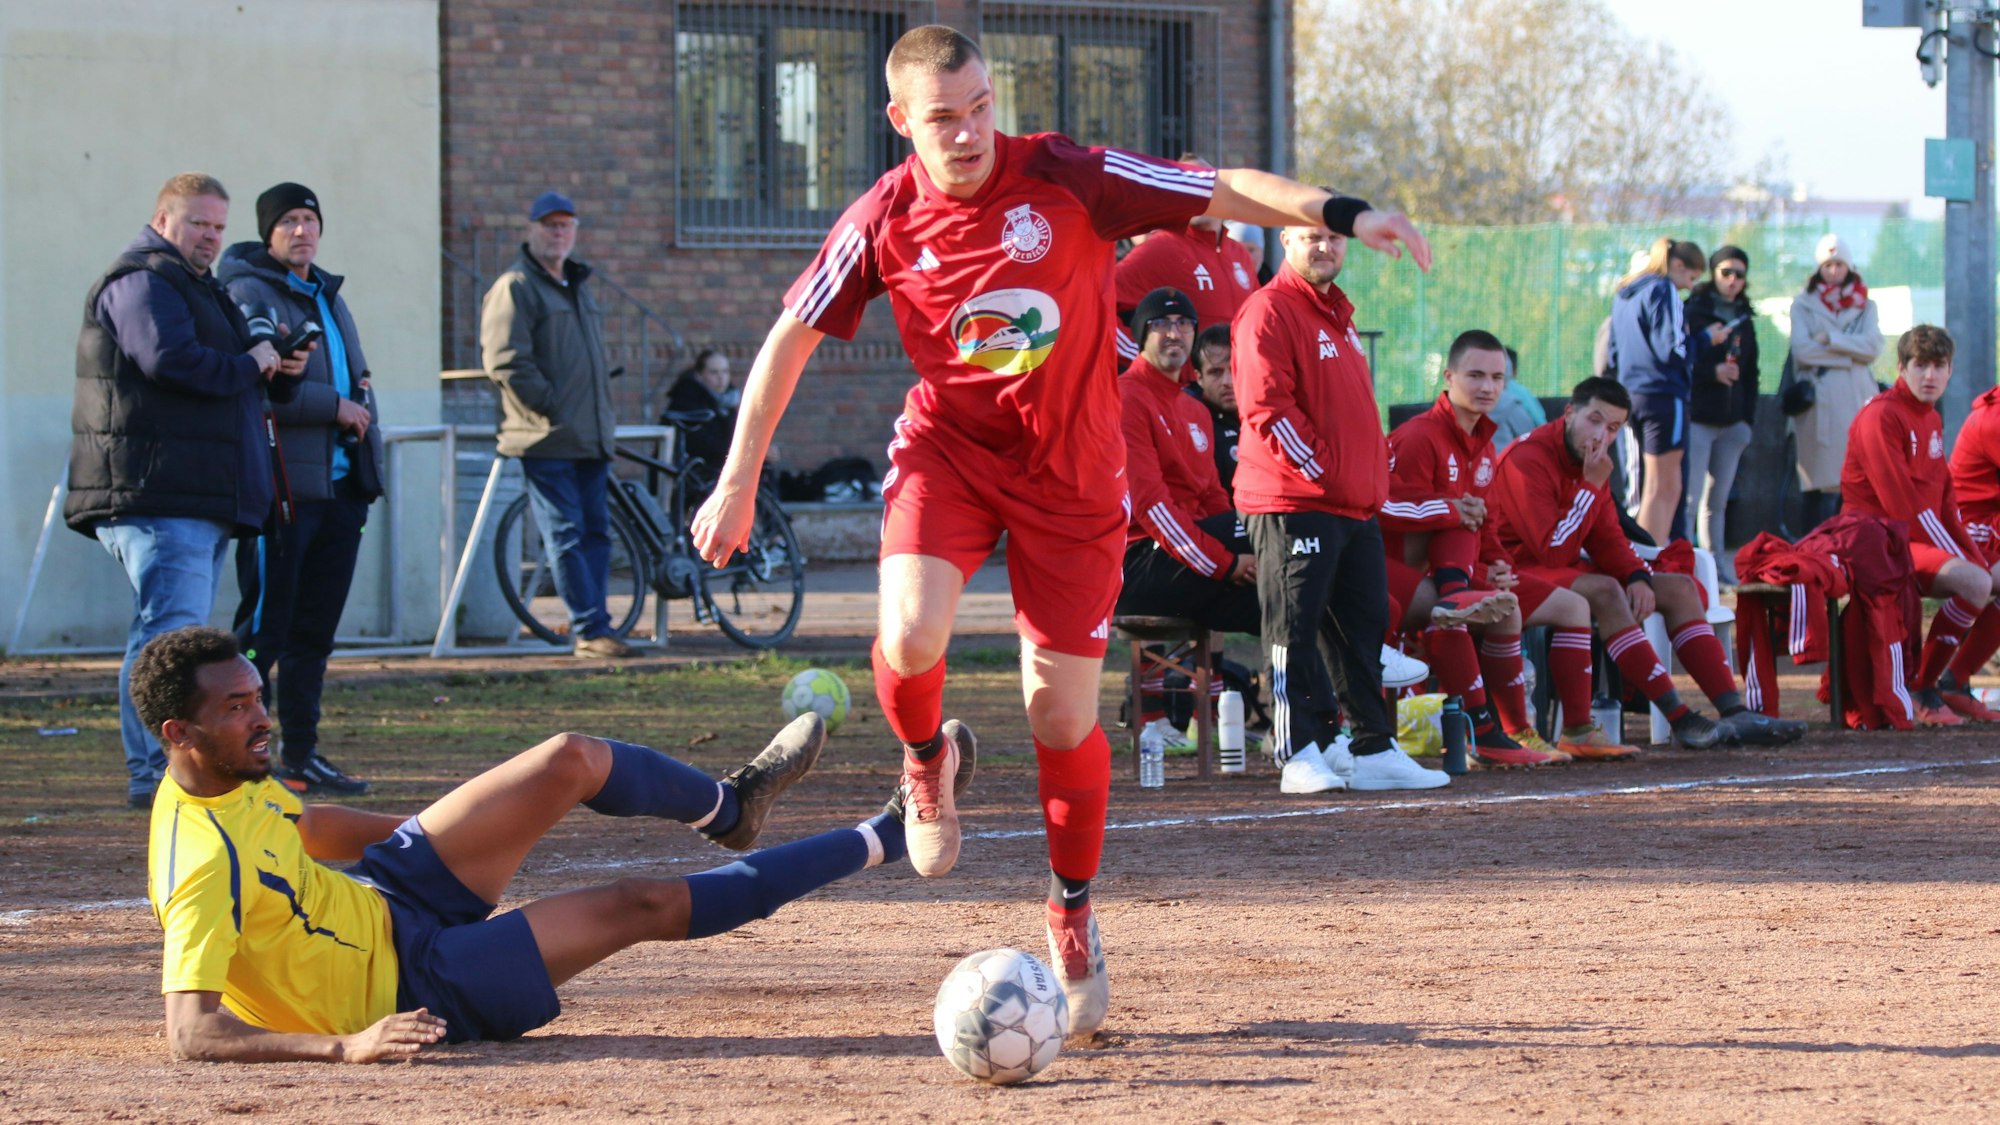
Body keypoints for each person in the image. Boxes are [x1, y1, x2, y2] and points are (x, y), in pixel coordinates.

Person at [690, 24, 1430, 1039]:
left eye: (980, 106)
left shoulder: (1068, 176)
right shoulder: (881, 219)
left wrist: (1343, 210)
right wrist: (737, 481)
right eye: (943, 118)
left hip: (1075, 483)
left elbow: (1220, 188)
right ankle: (924, 762)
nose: (968, 132)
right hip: (950, 456)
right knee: (908, 635)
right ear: (900, 121)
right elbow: (789, 337)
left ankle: (1071, 910)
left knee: (1056, 716)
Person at [137, 624, 953, 1060]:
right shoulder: (197, 865)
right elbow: (191, 1031)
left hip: (394, 894)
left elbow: (310, 827)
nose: (261, 717)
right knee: (640, 902)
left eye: (257, 695)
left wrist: (449, 832)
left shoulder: (240, 774)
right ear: (179, 732)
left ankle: (729, 805)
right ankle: (883, 833)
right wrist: (346, 1045)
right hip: (415, 985)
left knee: (568, 759)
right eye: (236, 708)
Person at [65, 172, 308, 810]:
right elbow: (168, 360)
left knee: (164, 632)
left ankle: (162, 769)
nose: (211, 237)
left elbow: (233, 372)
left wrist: (277, 367)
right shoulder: (142, 280)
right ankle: (156, 772)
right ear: (163, 219)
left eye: (219, 226)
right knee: (169, 639)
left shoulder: (196, 285)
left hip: (191, 491)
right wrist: (250, 363)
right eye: (199, 222)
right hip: (158, 490)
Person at [1233, 220, 1447, 795]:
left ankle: (1372, 747)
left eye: (1333, 237)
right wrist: (1328, 473)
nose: (1324, 246)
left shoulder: (1337, 315)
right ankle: (1296, 751)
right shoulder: (1269, 310)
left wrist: (1362, 479)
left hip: (1352, 507)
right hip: (1295, 502)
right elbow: (1267, 409)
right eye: (1311, 236)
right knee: (1293, 629)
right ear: (1286, 241)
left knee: (1363, 627)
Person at [1486, 377, 1806, 749]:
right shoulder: (1528, 459)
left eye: (1612, 428)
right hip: (1516, 572)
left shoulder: (1592, 464)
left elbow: (1607, 535)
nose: (1600, 435)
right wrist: (1590, 486)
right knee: (1606, 590)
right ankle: (1680, 718)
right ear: (1569, 413)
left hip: (1561, 567)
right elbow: (1551, 550)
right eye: (1594, 420)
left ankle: (1734, 711)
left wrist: (1637, 575)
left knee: (1679, 587)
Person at [1384, 331, 1640, 763]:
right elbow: (1388, 512)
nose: (1487, 387)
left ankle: (1558, 731)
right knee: (1468, 603)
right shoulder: (1420, 437)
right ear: (1449, 377)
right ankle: (1487, 734)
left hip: (1463, 573)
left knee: (1562, 606)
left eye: (1497, 378)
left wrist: (1497, 565)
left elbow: (1488, 528)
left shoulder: (1484, 446)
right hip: (1401, 576)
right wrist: (1454, 514)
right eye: (1476, 376)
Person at [216, 183, 384, 798]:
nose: (301, 230)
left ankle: (301, 756)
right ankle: (237, 758)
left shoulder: (328, 296)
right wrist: (334, 407)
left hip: (340, 488)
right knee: (264, 633)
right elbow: (258, 388)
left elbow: (357, 380)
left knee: (314, 634)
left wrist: (359, 413)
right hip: (283, 491)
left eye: (309, 219)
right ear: (268, 232)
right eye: (288, 220)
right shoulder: (248, 291)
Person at [481, 191, 630, 659]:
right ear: (531, 230)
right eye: (549, 225)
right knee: (566, 535)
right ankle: (589, 629)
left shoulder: (577, 285)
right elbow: (505, 361)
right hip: (546, 437)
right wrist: (550, 408)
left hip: (589, 437)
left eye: (566, 225)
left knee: (596, 534)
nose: (558, 233)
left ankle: (598, 625)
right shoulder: (516, 287)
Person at [1843, 325, 2000, 725]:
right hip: (1879, 542)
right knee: (1978, 581)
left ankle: (1953, 682)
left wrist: (1971, 555)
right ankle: (1923, 688)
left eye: (1939, 366)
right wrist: (1970, 562)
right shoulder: (1881, 415)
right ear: (1901, 368)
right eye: (1921, 365)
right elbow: (1902, 507)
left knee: (1986, 576)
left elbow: (1945, 503)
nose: (1930, 375)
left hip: (1918, 537)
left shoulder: (1929, 417)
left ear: (1950, 371)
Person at [1609, 237, 1716, 544]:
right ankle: (1650, 560)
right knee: (1665, 486)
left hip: (1630, 393)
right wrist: (1705, 339)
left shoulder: (1625, 293)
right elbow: (1673, 350)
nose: (1690, 287)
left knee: (1644, 488)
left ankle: (1641, 556)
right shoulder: (1663, 288)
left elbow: (1613, 353)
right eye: (1691, 278)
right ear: (1678, 265)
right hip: (1664, 395)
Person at [1113, 158, 1263, 364]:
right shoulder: (1161, 248)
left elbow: (1258, 321)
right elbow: (1095, 302)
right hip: (1189, 381)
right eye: (1185, 188)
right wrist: (1144, 358)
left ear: (1220, 189)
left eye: (1202, 184)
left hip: (1236, 380)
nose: (1195, 195)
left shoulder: (1239, 253)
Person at [1789, 233, 1883, 533]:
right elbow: (1802, 351)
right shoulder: (1803, 304)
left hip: (1857, 401)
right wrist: (1850, 357)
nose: (1833, 271)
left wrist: (1831, 339)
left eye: (1839, 264)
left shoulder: (1866, 304)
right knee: (1820, 486)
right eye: (1827, 265)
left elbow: (1873, 347)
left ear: (1849, 266)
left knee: (1856, 484)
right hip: (1821, 406)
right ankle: (1815, 550)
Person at [1682, 246, 1759, 584]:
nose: (1732, 280)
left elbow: (1751, 372)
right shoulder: (1694, 310)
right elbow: (1679, 361)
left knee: (1718, 502)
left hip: (1732, 425)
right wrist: (1711, 373)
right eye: (1726, 272)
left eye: (1739, 274)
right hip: (1699, 419)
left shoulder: (1745, 316)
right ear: (1712, 274)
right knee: (1689, 498)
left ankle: (1715, 571)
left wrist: (1746, 421)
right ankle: (1685, 567)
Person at [663, 348, 739, 472]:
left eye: (725, 371)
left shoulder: (730, 401)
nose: (721, 377)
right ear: (699, 375)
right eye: (714, 372)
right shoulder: (687, 401)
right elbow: (701, 445)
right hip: (695, 474)